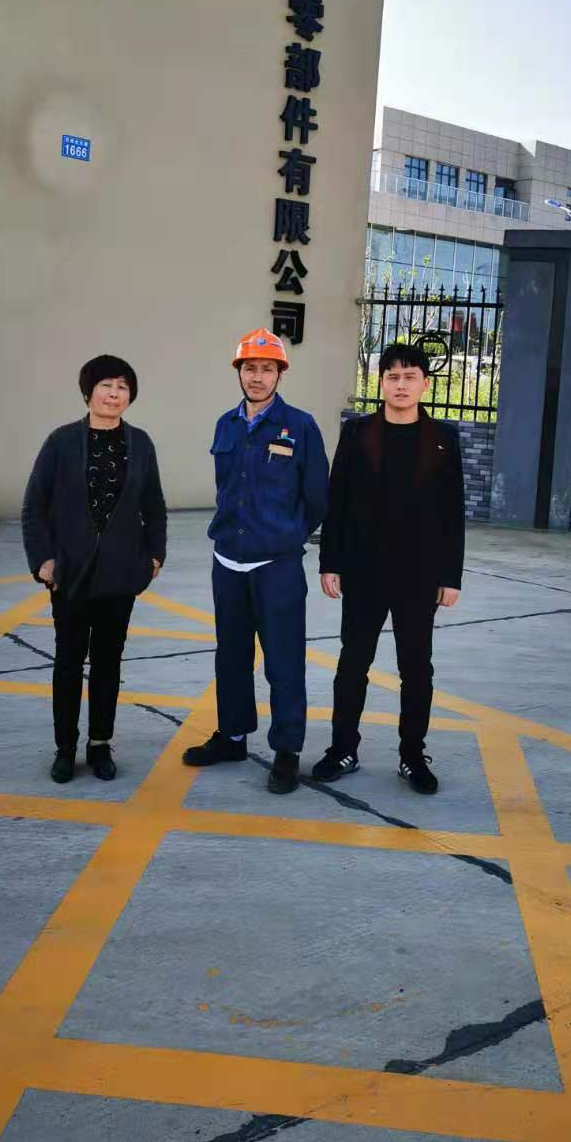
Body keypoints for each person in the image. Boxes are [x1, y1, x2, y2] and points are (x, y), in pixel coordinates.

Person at [313, 342, 464, 794]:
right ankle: (343, 749)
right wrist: (330, 562)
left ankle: (412, 756)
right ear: (380, 382)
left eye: (409, 377)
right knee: (352, 664)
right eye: (392, 377)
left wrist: (450, 576)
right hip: (364, 571)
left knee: (416, 669)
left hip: (419, 575)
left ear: (425, 384)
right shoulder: (358, 433)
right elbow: (337, 500)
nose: (401, 385)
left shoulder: (442, 438)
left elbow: (452, 512)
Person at [183, 328, 329, 795]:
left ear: (280, 374)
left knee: (284, 662)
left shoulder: (300, 427)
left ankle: (286, 751)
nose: (258, 377)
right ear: (239, 372)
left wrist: (287, 535)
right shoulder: (225, 424)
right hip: (228, 560)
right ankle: (232, 737)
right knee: (230, 656)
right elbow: (226, 488)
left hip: (276, 566)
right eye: (250, 368)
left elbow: (317, 497)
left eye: (267, 369)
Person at [22, 354, 167, 784]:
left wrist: (154, 557)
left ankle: (100, 744)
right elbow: (34, 507)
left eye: (122, 387)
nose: (114, 394)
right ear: (88, 392)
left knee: (108, 663)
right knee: (68, 663)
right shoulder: (62, 442)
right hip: (71, 574)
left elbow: (154, 506)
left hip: (120, 576)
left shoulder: (140, 444)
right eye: (106, 385)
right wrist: (43, 560)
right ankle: (65, 748)